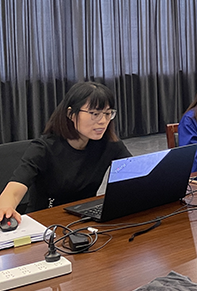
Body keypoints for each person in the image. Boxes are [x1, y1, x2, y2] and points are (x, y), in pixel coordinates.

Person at [0, 81, 131, 220]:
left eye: (108, 113)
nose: (103, 121)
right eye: (94, 113)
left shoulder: (110, 144)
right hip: (45, 220)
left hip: (85, 218)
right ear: (71, 113)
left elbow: (136, 174)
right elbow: (14, 190)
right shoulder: (44, 148)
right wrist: (5, 207)